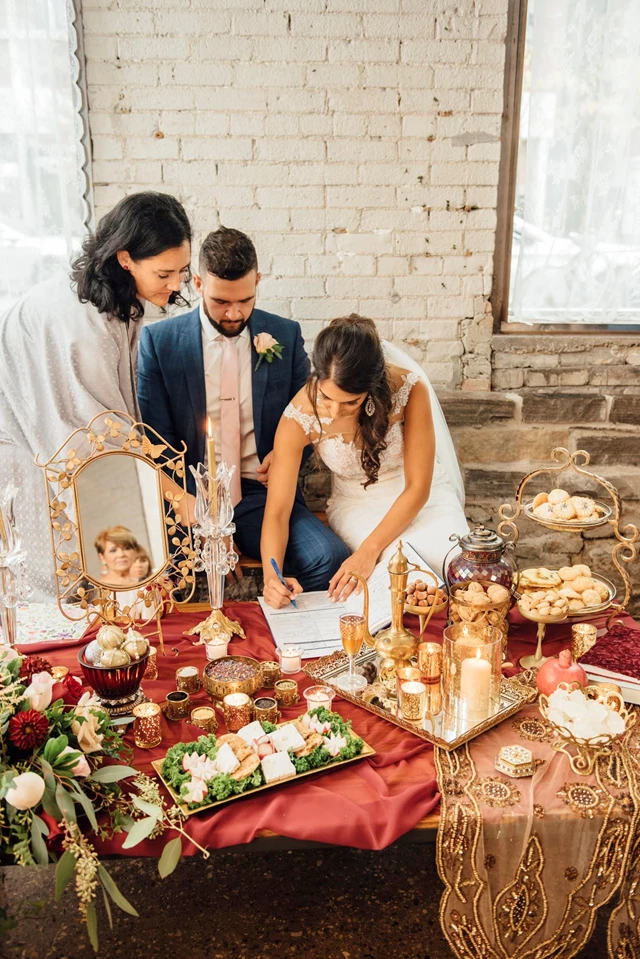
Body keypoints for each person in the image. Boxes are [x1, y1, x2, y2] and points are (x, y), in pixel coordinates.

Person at [0, 191, 192, 601]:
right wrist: (176, 495)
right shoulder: (82, 324)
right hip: (25, 446)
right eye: (164, 273)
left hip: (61, 436)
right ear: (125, 259)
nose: (176, 284)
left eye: (182, 271)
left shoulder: (117, 298)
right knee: (54, 582)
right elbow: (97, 434)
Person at [138, 226, 350, 591]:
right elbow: (156, 445)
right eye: (221, 301)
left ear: (258, 281)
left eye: (246, 300)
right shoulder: (160, 342)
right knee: (154, 568)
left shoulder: (284, 334)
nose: (234, 313)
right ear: (198, 284)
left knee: (328, 558)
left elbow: (312, 417)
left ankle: (277, 620)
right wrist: (204, 521)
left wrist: (285, 457)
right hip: (191, 496)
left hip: (260, 495)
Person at [260, 315, 469, 609]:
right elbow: (277, 512)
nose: (334, 412)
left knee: (453, 562)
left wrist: (367, 552)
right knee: (399, 571)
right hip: (358, 503)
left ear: (371, 387)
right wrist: (272, 577)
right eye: (326, 397)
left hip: (422, 495)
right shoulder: (298, 417)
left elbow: (418, 488)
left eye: (351, 402)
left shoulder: (409, 389)